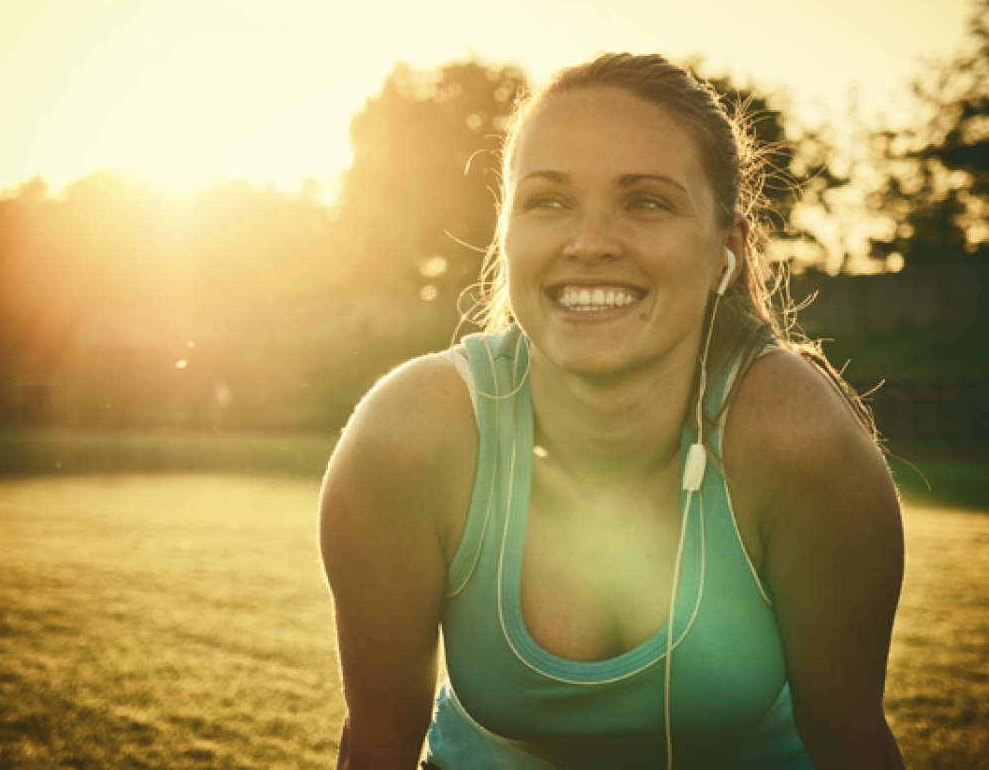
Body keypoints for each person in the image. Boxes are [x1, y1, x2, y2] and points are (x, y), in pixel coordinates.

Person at [319, 53, 906, 770]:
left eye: (647, 202)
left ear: (727, 249)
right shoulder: (412, 434)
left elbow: (849, 740)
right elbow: (376, 744)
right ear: (506, 234)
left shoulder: (795, 437)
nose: (589, 243)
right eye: (549, 201)